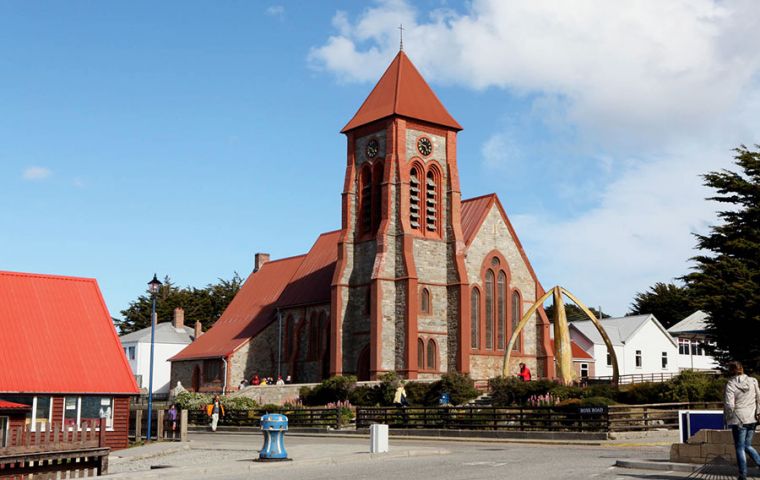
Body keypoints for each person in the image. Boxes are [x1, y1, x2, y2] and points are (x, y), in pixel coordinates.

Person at [724, 361, 760, 480]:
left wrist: (728, 418)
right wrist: (758, 413)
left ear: (731, 370)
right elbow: (759, 399)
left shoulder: (731, 384)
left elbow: (729, 405)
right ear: (742, 369)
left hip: (738, 419)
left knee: (740, 447)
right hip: (752, 418)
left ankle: (742, 475)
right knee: (747, 446)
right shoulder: (753, 381)